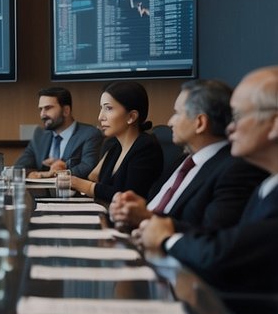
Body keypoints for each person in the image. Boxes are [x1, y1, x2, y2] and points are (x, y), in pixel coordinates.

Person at [140, 66, 278, 292]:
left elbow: (223, 254)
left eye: (239, 116)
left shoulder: (246, 175)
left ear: (274, 123)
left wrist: (167, 238)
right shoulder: (267, 185)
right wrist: (164, 227)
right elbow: (229, 241)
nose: (230, 127)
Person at [111, 79, 265, 231]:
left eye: (177, 113)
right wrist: (131, 210)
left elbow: (211, 236)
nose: (170, 122)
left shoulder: (234, 171)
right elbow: (157, 208)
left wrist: (146, 218)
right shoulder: (182, 161)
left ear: (200, 123)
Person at [69, 80, 164, 202]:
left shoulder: (146, 147)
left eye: (108, 108)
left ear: (131, 117)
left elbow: (129, 198)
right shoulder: (114, 146)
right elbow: (94, 177)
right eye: (101, 108)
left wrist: (86, 186)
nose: (100, 117)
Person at [15, 86, 103, 178]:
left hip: (73, 191)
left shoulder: (90, 134)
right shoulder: (39, 135)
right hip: (41, 192)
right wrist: (36, 174)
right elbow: (19, 168)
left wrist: (62, 170)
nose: (42, 115)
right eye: (41, 109)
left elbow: (89, 167)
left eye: (48, 108)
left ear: (66, 110)